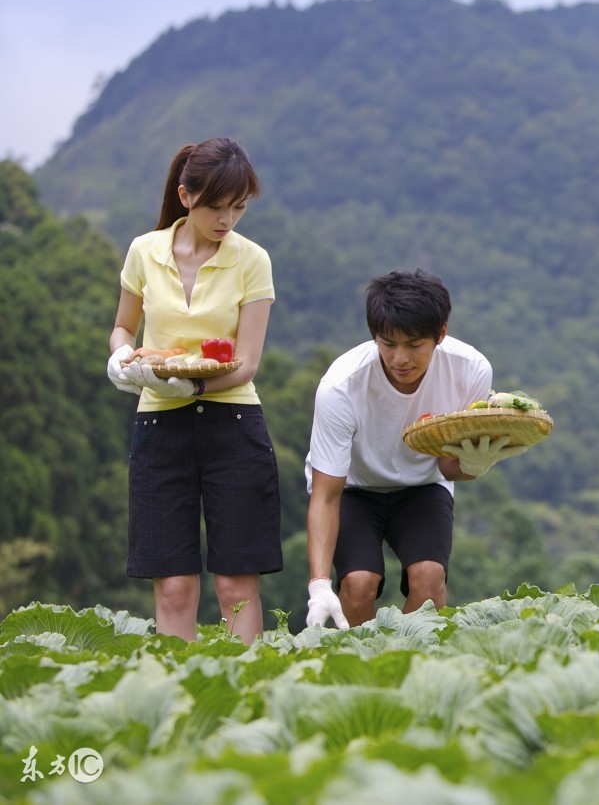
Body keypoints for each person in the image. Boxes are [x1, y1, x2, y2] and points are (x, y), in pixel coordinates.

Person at [105, 137, 281, 644]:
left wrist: (195, 381)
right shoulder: (145, 251)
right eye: (217, 207)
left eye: (239, 207)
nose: (228, 220)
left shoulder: (252, 260)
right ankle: (182, 697)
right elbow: (123, 328)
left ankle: (244, 690)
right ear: (186, 197)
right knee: (176, 586)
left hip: (233, 423)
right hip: (160, 423)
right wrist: (121, 358)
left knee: (233, 584)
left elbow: (246, 364)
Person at [304, 269, 528, 629]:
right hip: (354, 489)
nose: (400, 359)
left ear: (440, 334)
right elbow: (326, 495)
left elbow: (448, 466)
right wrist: (318, 585)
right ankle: (360, 668)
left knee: (429, 577)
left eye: (414, 344)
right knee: (359, 584)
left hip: (423, 485)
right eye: (388, 343)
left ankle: (415, 666)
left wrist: (475, 464)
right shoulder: (341, 386)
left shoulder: (470, 370)